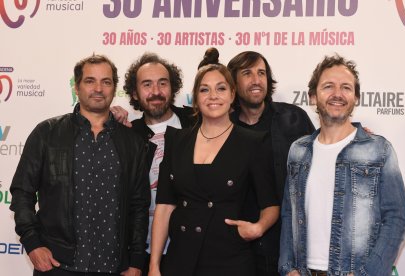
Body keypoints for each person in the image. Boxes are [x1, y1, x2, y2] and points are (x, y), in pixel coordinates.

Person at [10, 54, 151, 276]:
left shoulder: (132, 142)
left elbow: (139, 206)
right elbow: (22, 192)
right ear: (77, 87)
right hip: (58, 265)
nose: (98, 88)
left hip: (114, 268)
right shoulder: (47, 133)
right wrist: (32, 243)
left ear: (114, 89)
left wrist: (135, 261)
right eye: (90, 81)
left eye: (106, 82)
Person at [148, 49, 279, 276]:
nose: (213, 96)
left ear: (232, 95)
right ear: (196, 98)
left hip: (230, 260)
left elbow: (271, 205)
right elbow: (165, 206)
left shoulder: (253, 143)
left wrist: (258, 228)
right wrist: (154, 265)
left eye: (220, 88)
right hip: (180, 260)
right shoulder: (177, 141)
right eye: (204, 90)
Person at [279, 54, 405, 276]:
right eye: (328, 86)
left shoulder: (379, 150)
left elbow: (397, 217)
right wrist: (288, 267)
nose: (337, 94)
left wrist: (368, 273)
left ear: (356, 98)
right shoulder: (298, 151)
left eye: (346, 88)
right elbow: (288, 213)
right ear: (312, 97)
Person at [227, 51, 315, 275]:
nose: (256, 80)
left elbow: (325, 150)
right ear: (233, 83)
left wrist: (353, 136)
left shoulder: (294, 118)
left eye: (261, 73)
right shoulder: (223, 127)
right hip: (239, 246)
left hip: (288, 246)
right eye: (247, 73)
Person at [114, 53, 195, 275]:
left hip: (190, 249)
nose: (156, 92)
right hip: (141, 252)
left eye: (163, 83)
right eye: (147, 84)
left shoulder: (196, 123)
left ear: (173, 87)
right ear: (134, 93)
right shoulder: (127, 135)